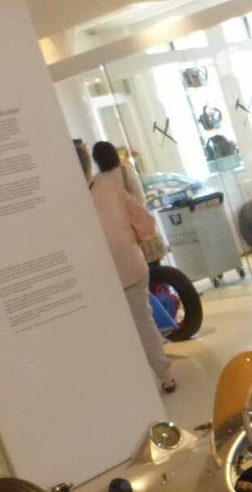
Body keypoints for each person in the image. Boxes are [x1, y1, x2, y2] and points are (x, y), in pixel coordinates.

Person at [75, 141, 176, 393]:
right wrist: (136, 240)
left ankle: (131, 382)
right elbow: (145, 219)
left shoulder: (68, 204)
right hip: (130, 264)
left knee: (113, 329)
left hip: (97, 275)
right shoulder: (108, 188)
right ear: (88, 165)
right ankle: (165, 375)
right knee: (143, 321)